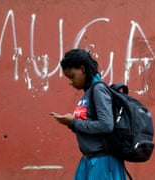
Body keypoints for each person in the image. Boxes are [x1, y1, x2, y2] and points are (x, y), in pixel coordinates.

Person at [50, 49, 127, 180]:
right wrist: (72, 123)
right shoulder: (89, 92)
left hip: (103, 163)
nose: (71, 82)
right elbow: (89, 126)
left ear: (82, 69)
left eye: (72, 76)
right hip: (89, 160)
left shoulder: (98, 90)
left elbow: (106, 125)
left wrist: (74, 122)